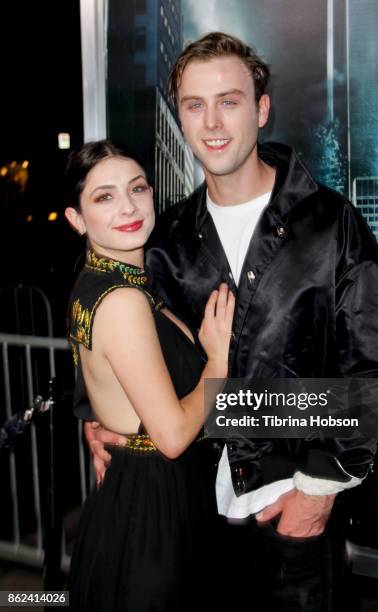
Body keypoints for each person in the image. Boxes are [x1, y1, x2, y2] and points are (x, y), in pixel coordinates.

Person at [87, 32, 378, 611]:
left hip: (292, 516)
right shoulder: (165, 242)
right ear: (179, 116)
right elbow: (125, 341)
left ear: (261, 109)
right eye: (194, 105)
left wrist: (319, 490)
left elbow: (371, 371)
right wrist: (102, 414)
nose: (212, 122)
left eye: (229, 100)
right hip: (190, 515)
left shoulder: (332, 224)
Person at [63, 139, 234, 611]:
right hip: (153, 512)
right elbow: (174, 435)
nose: (128, 206)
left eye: (137, 188)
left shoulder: (108, 282)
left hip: (141, 499)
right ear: (76, 219)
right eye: (104, 197)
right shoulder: (123, 300)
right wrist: (217, 360)